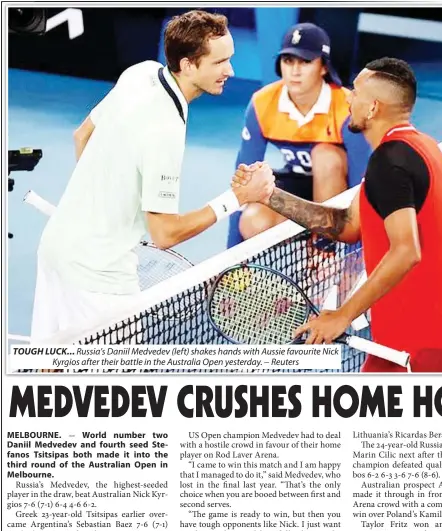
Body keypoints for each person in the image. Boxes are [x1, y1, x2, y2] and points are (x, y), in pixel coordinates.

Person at [31, 10, 274, 343]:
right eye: (219, 62)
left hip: (56, 249)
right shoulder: (165, 130)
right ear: (188, 65)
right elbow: (164, 234)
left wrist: (107, 210)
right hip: (98, 278)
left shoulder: (141, 72)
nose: (230, 70)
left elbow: (82, 136)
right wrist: (238, 199)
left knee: (51, 378)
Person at [232, 57, 442, 373]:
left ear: (374, 108)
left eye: (357, 92)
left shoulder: (390, 162)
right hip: (436, 328)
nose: (348, 96)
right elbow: (346, 226)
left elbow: (406, 251)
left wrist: (342, 315)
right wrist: (269, 196)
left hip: (419, 336)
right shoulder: (417, 147)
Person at [226, 22, 371, 248]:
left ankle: (327, 250)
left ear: (323, 67)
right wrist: (229, 260)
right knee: (254, 219)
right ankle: (305, 250)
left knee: (325, 155)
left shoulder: (346, 106)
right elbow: (244, 182)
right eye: (288, 61)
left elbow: (361, 186)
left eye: (305, 61)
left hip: (338, 193)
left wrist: (354, 259)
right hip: (295, 191)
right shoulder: (262, 104)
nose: (295, 71)